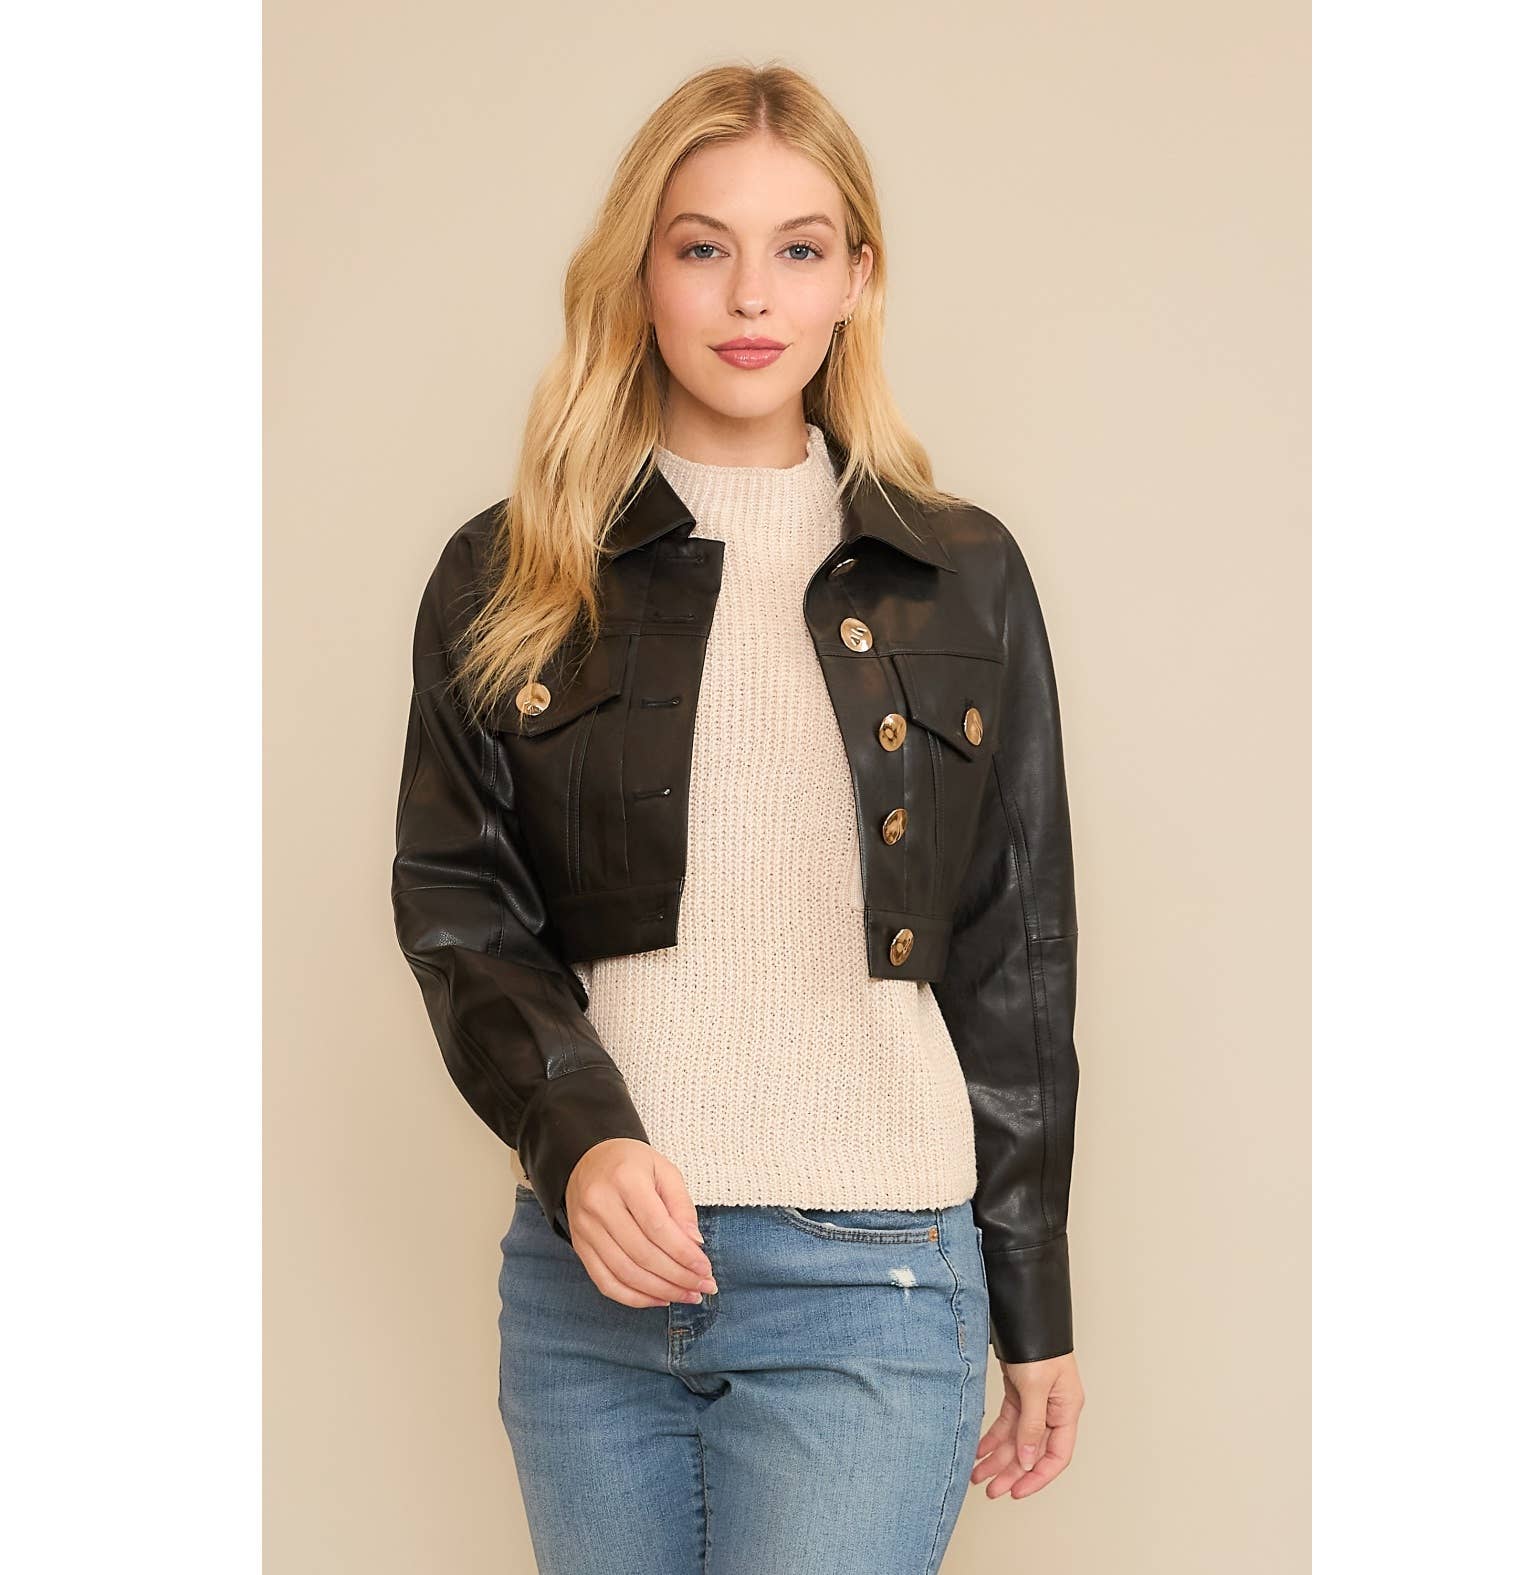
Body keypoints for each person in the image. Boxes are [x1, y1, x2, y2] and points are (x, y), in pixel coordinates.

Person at [391, 61, 1085, 1574]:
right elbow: (461, 910)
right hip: (587, 1288)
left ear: (857, 280)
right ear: (640, 274)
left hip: (869, 1280)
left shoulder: (962, 576)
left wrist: (1033, 1300)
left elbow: (1014, 960)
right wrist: (580, 1142)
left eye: (799, 247)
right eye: (703, 245)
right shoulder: (510, 572)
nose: (751, 294)